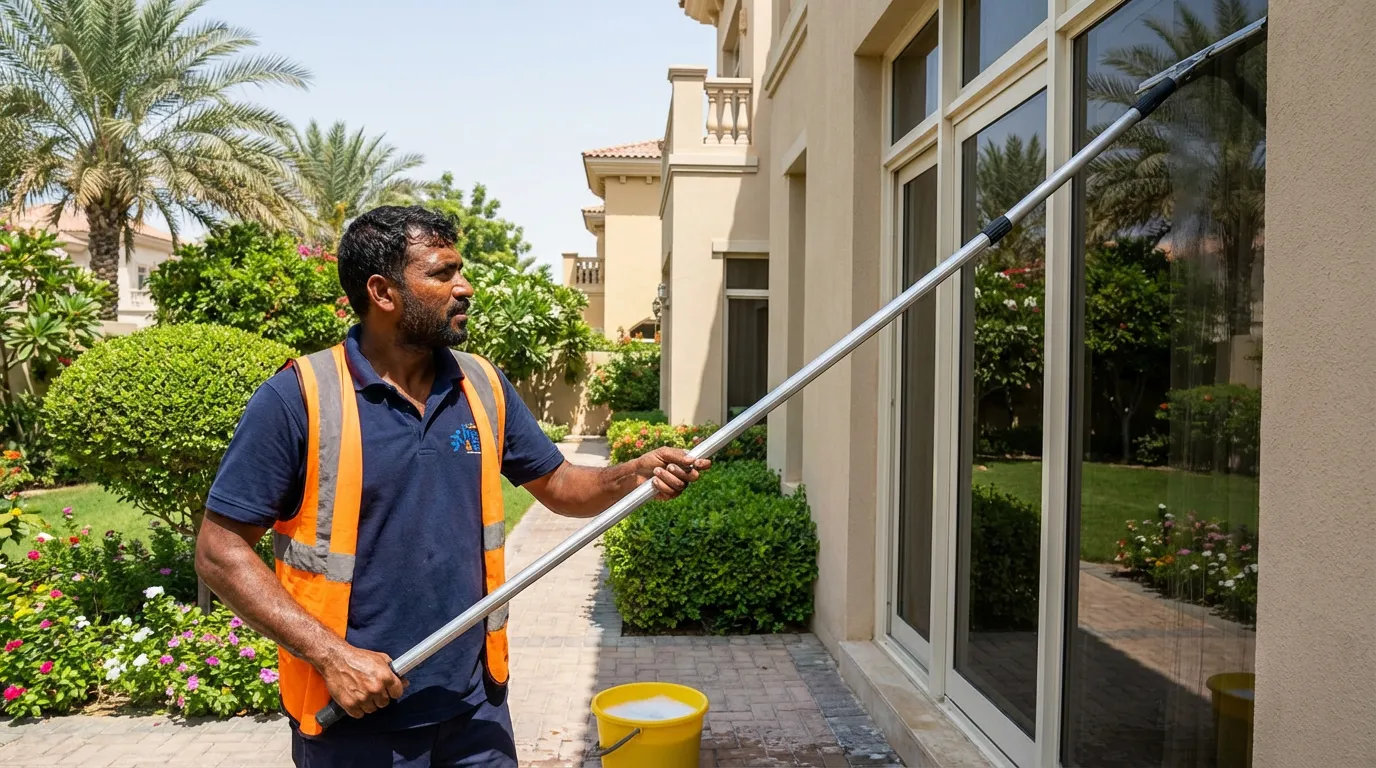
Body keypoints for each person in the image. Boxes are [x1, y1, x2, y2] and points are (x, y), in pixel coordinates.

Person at [195, 205, 710, 767]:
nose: (464, 288)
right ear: (383, 292)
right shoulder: (301, 398)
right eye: (442, 274)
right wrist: (332, 656)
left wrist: (630, 475)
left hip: (474, 709)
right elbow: (220, 552)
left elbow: (560, 485)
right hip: (355, 719)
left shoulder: (480, 385)